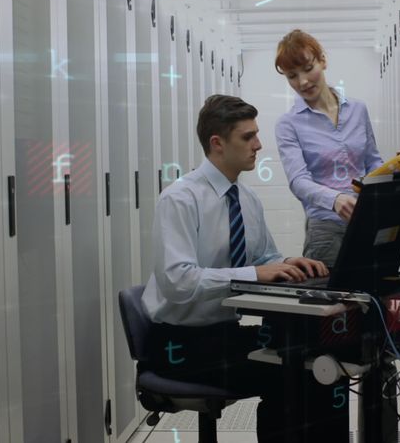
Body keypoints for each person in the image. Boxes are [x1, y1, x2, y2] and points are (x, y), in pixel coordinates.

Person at [141, 94, 347, 441]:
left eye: (257, 135)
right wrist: (254, 273)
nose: (258, 144)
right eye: (247, 137)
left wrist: (285, 263)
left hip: (223, 336)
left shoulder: (246, 199)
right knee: (292, 372)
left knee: (321, 362)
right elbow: (178, 280)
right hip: (180, 346)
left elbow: (263, 257)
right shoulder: (180, 198)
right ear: (217, 143)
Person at [274, 30, 384, 267]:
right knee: (333, 301)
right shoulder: (288, 124)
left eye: (307, 68)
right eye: (292, 76)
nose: (302, 81)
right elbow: (298, 181)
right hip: (325, 229)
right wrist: (335, 199)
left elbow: (373, 160)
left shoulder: (358, 110)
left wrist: (389, 178)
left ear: (322, 60)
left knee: (373, 297)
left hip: (367, 220)